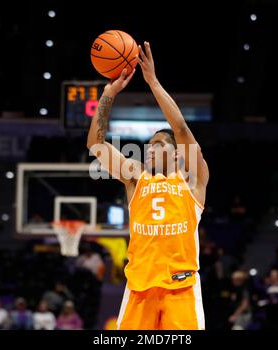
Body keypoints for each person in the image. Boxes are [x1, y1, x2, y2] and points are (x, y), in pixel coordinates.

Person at [87, 42, 209, 330]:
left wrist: (152, 82)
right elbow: (96, 144)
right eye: (148, 145)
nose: (149, 150)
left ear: (178, 153)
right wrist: (108, 94)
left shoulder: (192, 180)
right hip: (139, 288)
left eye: (158, 145)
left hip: (181, 289)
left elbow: (179, 128)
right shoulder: (135, 178)